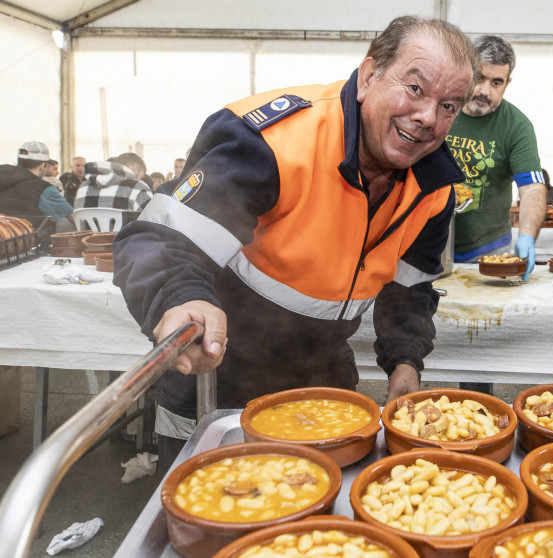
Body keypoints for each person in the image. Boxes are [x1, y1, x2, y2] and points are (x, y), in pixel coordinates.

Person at [113, 15, 477, 470]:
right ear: (368, 77)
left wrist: (406, 362)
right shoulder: (269, 141)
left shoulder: (435, 187)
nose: (427, 118)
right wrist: (178, 300)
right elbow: (161, 239)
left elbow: (409, 288)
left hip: (326, 375)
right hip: (221, 374)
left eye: (449, 106)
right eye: (416, 89)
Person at [446, 35, 546, 280]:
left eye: (496, 82)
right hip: (428, 245)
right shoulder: (440, 107)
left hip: (488, 249)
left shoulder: (517, 126)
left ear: (507, 83)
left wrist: (526, 236)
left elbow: (532, 187)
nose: (484, 91)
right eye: (479, 78)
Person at [0, 141, 73, 228]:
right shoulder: (45, 189)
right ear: (42, 165)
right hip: (31, 239)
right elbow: (71, 216)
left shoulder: (3, 176)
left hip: (5, 235)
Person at [74, 152, 153, 212]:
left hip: (90, 234)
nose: (137, 179)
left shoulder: (83, 186)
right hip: (124, 234)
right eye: (140, 175)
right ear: (135, 168)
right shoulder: (139, 187)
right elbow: (152, 221)